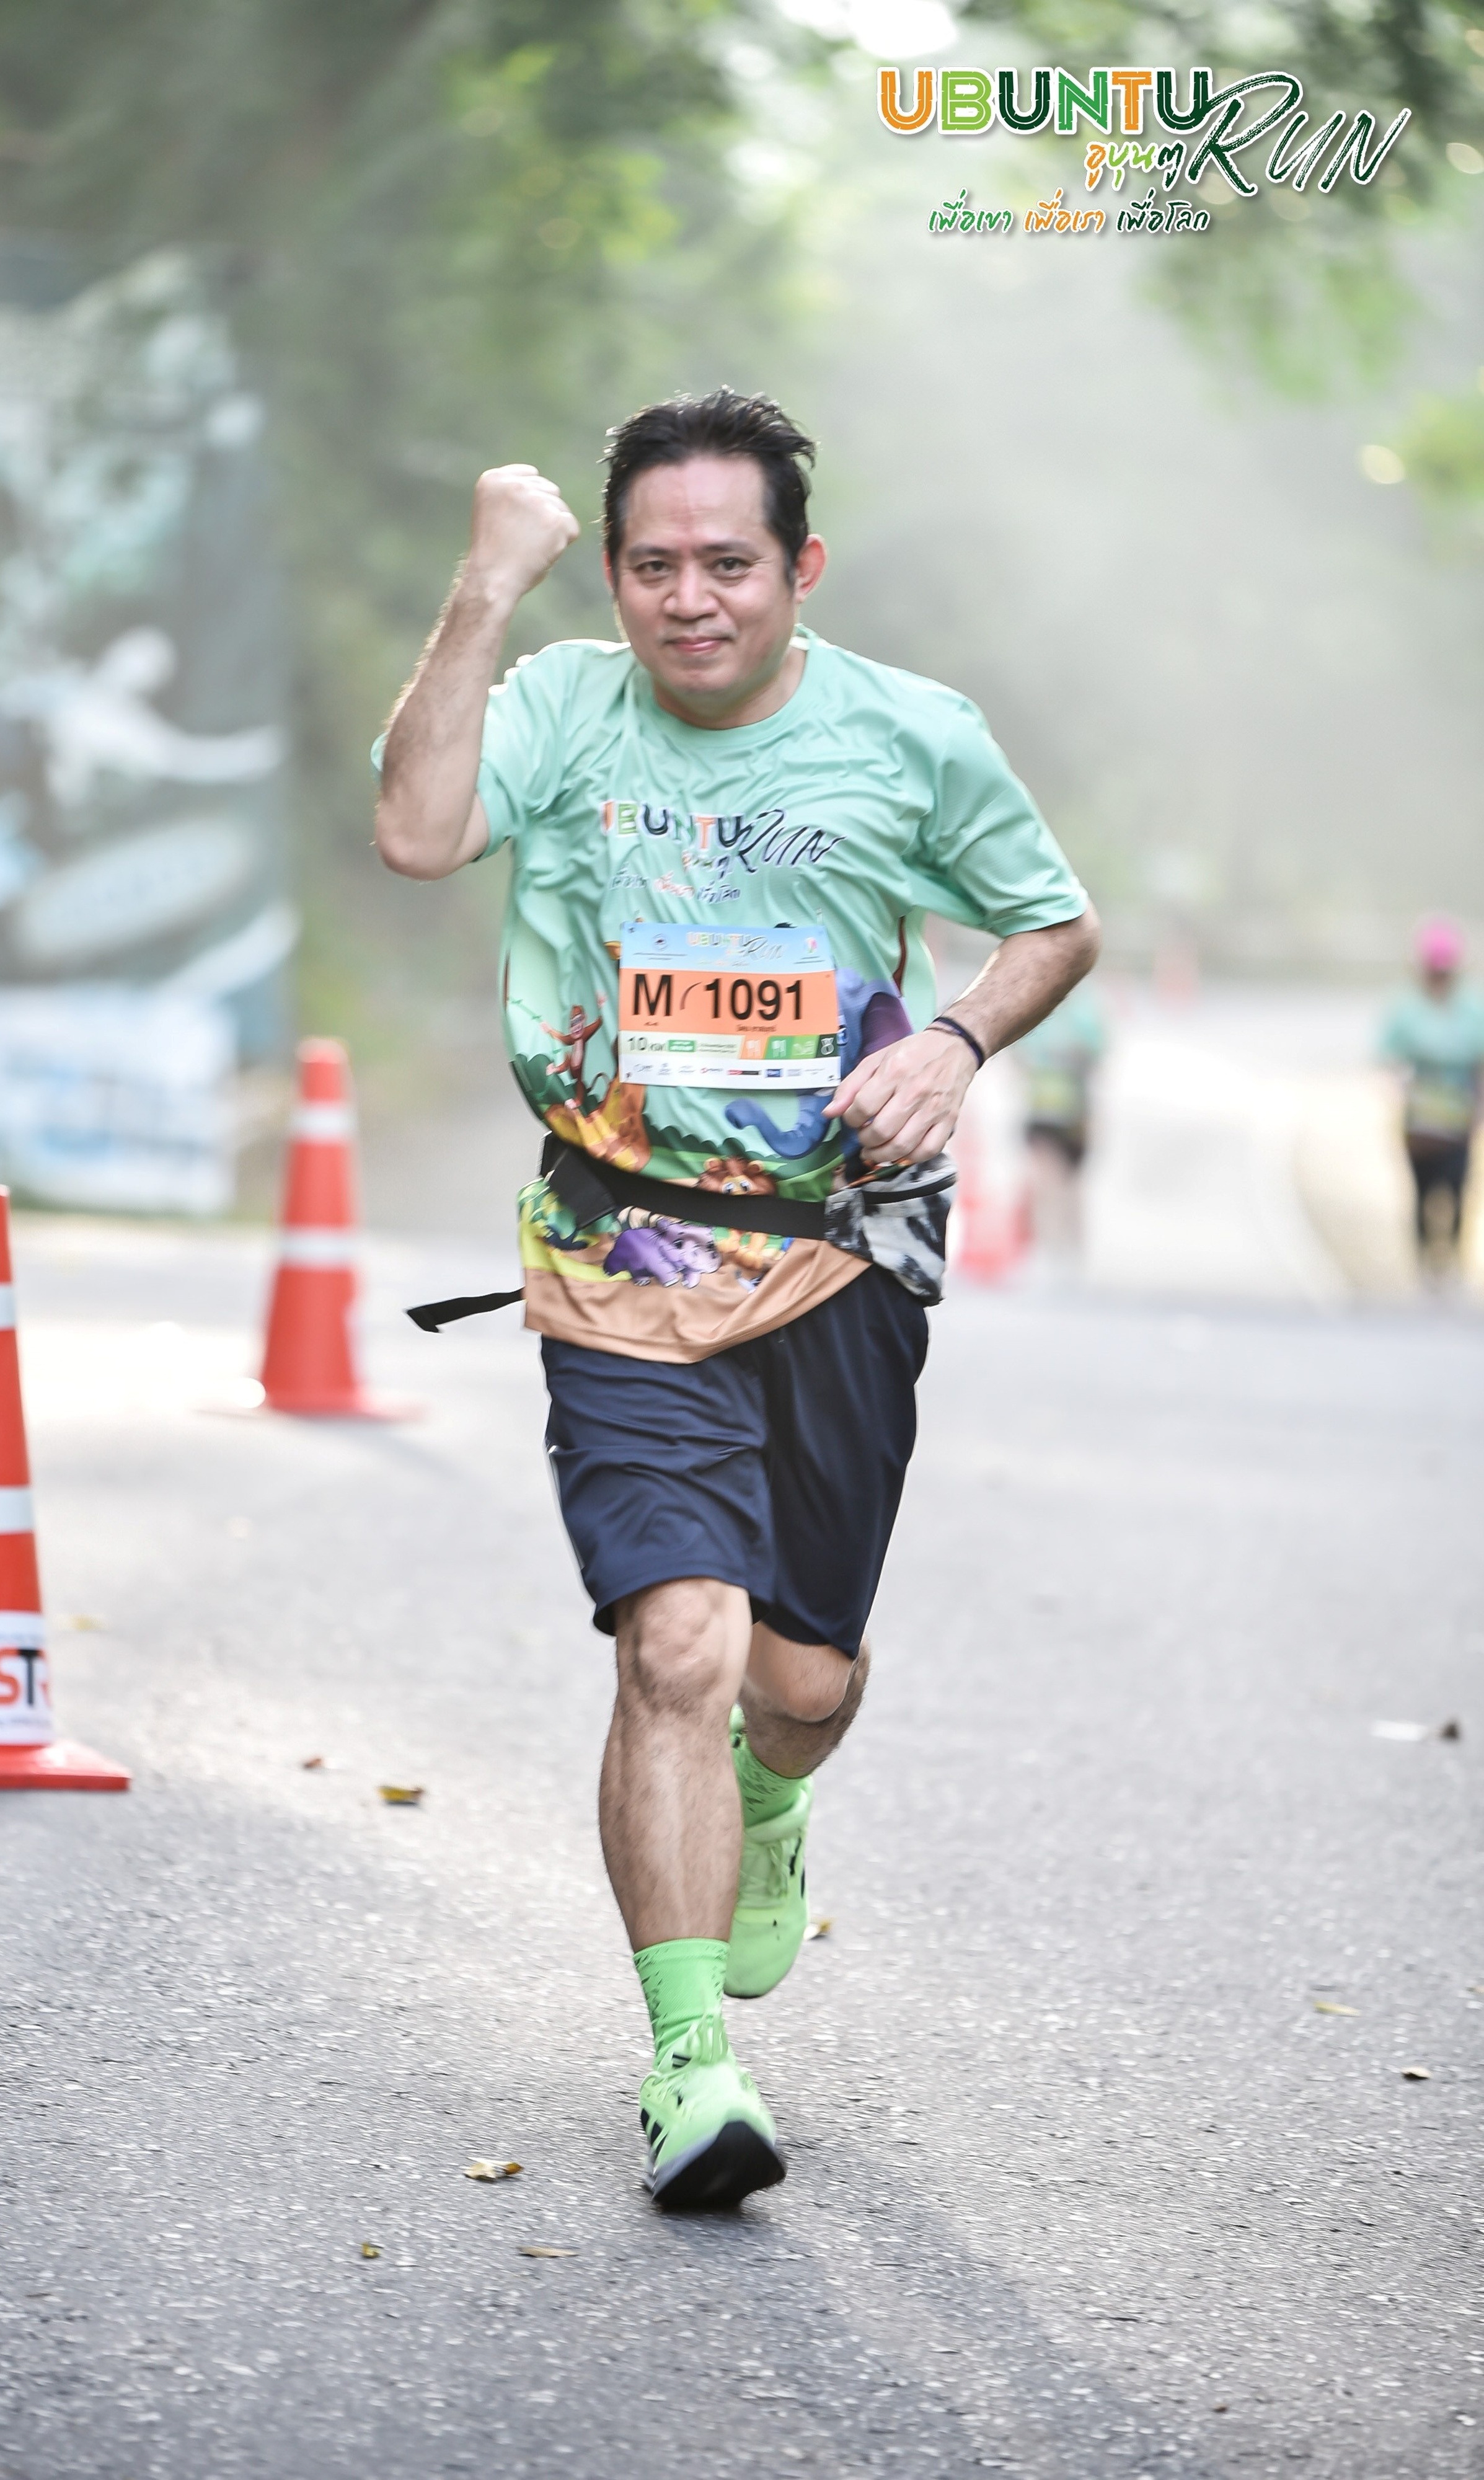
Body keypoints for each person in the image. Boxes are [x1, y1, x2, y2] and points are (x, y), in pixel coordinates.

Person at [374, 389, 1098, 2210]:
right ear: (610, 573)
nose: (687, 599)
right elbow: (416, 831)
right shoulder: (557, 706)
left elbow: (1053, 923)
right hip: (616, 1248)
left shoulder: (909, 737)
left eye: (725, 564)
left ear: (800, 568)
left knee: (799, 1678)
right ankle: (691, 2065)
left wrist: (950, 1040)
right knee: (676, 1646)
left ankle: (772, 1797)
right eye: (649, 565)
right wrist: (483, 587)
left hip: (837, 1247)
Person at [1379, 918, 1484, 1282]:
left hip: (1459, 1117)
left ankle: (1451, 1256)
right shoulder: (1407, 1009)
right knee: (1421, 1190)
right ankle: (1424, 1258)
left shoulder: (1472, 1008)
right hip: (1420, 1120)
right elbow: (1388, 1056)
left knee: (1457, 1187)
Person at [1018, 981, 1105, 1265]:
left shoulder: (1050, 1007)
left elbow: (1020, 1058)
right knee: (1057, 1183)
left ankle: (1062, 1250)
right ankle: (1061, 1250)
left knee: (1062, 1184)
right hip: (1055, 1112)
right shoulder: (1084, 1008)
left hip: (1063, 1111)